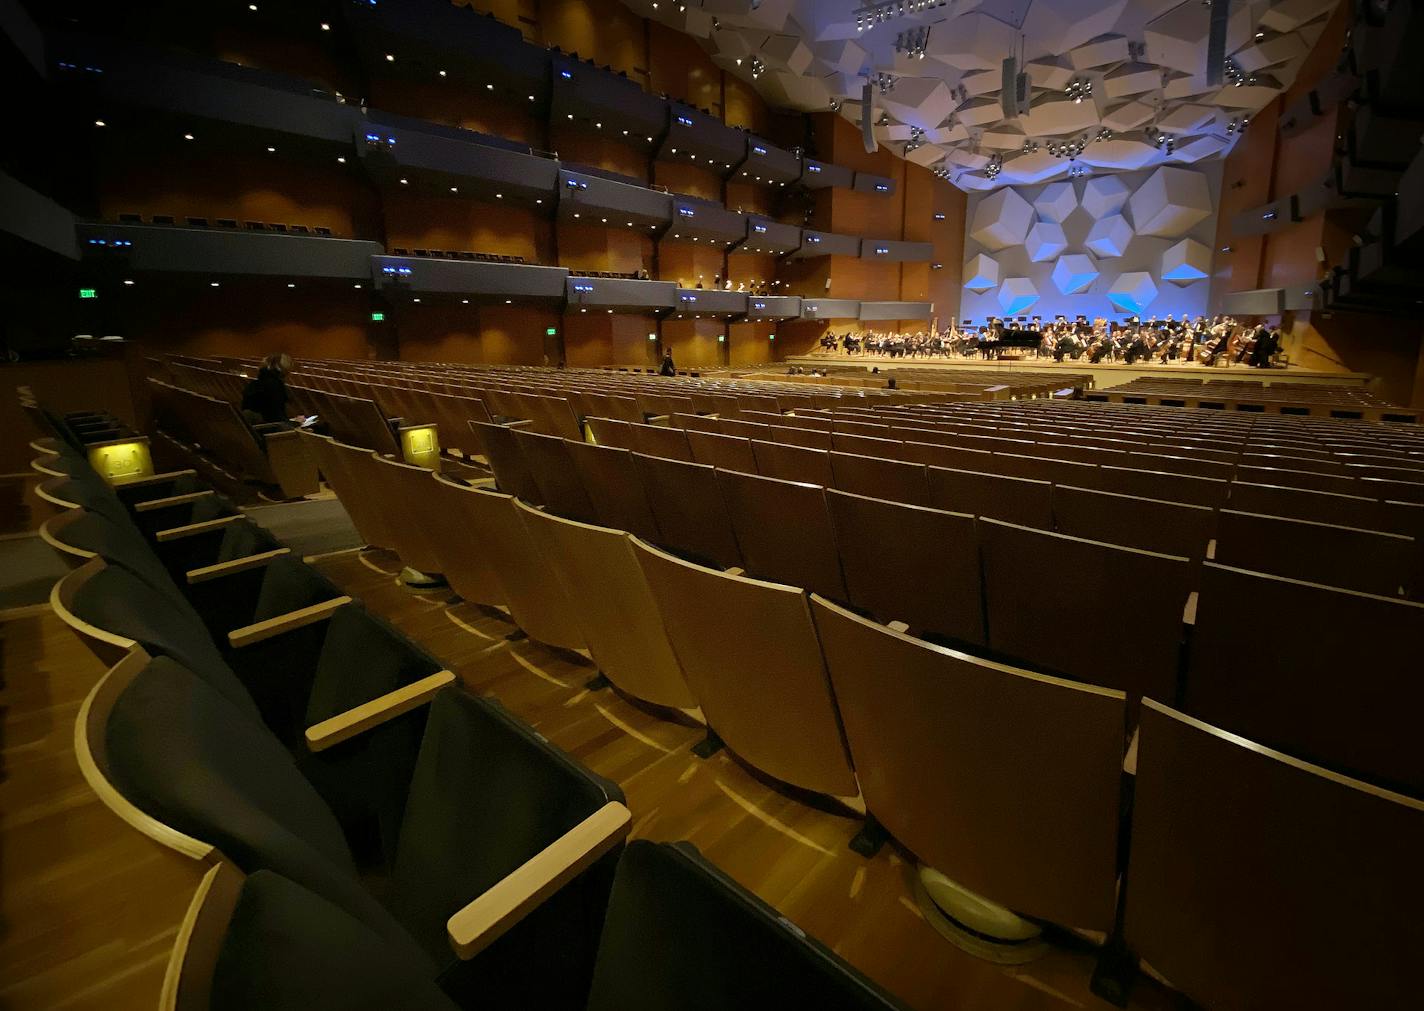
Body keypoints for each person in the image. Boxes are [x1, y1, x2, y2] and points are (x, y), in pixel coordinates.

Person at [241, 352, 294, 426]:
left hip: (255, 427)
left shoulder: (255, 383)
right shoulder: (275, 385)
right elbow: (275, 417)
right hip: (268, 428)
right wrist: (295, 423)